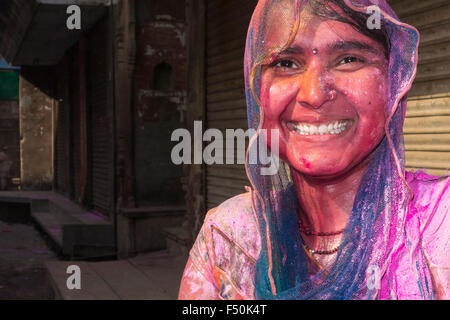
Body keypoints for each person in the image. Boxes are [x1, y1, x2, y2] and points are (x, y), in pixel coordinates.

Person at [178, 0, 449, 300]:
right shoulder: (230, 237)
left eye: (349, 59)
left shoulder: (439, 227)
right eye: (285, 63)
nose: (314, 94)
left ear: (393, 80)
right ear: (256, 88)